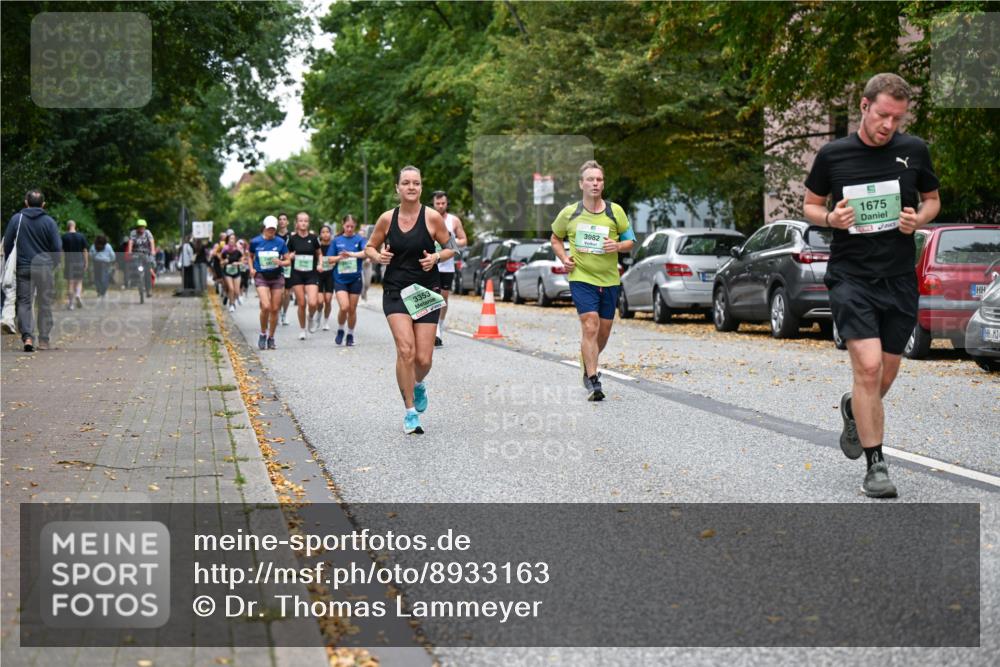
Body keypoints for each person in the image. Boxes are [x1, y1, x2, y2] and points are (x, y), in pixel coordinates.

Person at [803, 73, 940, 499]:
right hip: (851, 276)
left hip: (899, 278)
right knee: (867, 366)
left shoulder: (913, 151)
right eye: (883, 115)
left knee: (886, 371)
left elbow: (932, 199)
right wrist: (831, 219)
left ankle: (853, 409)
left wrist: (919, 218)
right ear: (864, 107)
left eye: (897, 119)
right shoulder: (834, 155)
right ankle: (876, 465)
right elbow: (810, 205)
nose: (889, 126)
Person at [364, 166, 456, 434]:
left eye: (416, 183)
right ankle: (410, 412)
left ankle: (417, 385)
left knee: (424, 359)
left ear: (421, 187)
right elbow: (370, 246)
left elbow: (453, 248)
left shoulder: (432, 218)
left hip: (425, 291)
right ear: (398, 188)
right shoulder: (386, 219)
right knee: (406, 351)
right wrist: (377, 256)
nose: (411, 187)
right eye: (406, 183)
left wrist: (436, 258)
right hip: (395, 291)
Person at [551, 160, 636, 402]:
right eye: (590, 179)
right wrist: (564, 258)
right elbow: (555, 239)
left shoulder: (615, 211)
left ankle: (587, 358)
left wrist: (617, 245)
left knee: (603, 333)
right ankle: (593, 379)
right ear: (582, 184)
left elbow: (630, 241)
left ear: (603, 183)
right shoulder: (570, 213)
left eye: (599, 179)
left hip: (609, 279)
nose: (595, 183)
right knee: (590, 325)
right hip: (581, 277)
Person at [2, 189, 62, 351]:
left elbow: (7, 243)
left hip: (23, 267)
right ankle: (43, 340)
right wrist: (53, 264)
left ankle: (27, 337)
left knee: (24, 302)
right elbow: (57, 248)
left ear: (26, 202)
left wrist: (9, 261)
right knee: (44, 303)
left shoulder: (17, 219)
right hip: (44, 267)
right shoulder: (49, 222)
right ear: (43, 204)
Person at [430, 191, 467, 347]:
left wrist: (450, 241)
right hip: (431, 264)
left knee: (444, 297)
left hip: (447, 266)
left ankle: (440, 325)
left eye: (443, 203)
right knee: (433, 296)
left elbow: (464, 240)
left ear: (446, 203)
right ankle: (435, 331)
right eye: (438, 203)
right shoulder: (428, 218)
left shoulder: (454, 220)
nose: (440, 206)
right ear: (433, 203)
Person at [249, 215, 290, 350]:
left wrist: (281, 262)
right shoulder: (255, 241)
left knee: (274, 309)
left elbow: (288, 260)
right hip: (261, 276)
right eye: (269, 229)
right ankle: (262, 333)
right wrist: (251, 268)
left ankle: (271, 337)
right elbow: (250, 256)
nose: (271, 231)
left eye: (273, 229)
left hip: (277, 277)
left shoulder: (280, 242)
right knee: (265, 306)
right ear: (264, 228)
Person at [330, 214, 367, 346]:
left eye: (352, 226)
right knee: (344, 307)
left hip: (355, 278)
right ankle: (340, 329)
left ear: (355, 226)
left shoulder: (360, 239)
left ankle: (350, 334)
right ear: (343, 225)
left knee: (352, 309)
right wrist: (340, 257)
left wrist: (352, 254)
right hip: (340, 279)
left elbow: (366, 252)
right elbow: (329, 259)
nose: (350, 229)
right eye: (347, 226)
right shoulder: (336, 240)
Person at [286, 211, 322, 340]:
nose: (303, 223)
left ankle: (310, 317)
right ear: (296, 223)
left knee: (313, 303)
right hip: (297, 274)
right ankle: (302, 329)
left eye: (306, 221)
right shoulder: (292, 238)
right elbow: (285, 255)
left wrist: (320, 264)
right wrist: (290, 256)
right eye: (301, 221)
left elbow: (319, 253)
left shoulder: (313, 238)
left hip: (311, 273)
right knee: (301, 303)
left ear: (308, 223)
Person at [61, 220, 88, 309]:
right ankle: (78, 295)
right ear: (75, 226)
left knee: (70, 283)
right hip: (79, 261)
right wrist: (86, 262)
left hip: (69, 262)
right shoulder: (81, 236)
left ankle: (71, 304)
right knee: (79, 281)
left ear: (67, 226)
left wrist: (61, 263)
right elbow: (85, 250)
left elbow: (62, 251)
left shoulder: (64, 237)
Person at [126, 219, 156, 298]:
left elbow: (151, 241)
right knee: (135, 267)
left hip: (146, 254)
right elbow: (130, 242)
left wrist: (153, 250)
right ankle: (135, 281)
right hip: (136, 254)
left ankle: (148, 290)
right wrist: (129, 252)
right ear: (137, 228)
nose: (141, 229)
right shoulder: (133, 233)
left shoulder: (147, 233)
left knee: (147, 272)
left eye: (143, 227)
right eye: (140, 227)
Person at [316, 224, 336, 330]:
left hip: (330, 275)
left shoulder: (334, 245)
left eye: (327, 232)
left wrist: (335, 262)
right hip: (318, 275)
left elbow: (338, 258)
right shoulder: (317, 247)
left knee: (328, 300)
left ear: (330, 233)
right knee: (319, 301)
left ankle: (326, 321)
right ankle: (318, 314)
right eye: (323, 232)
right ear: (320, 234)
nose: (325, 234)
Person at [276, 212, 293, 325]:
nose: (282, 221)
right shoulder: (274, 236)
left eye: (284, 219)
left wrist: (291, 256)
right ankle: (277, 312)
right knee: (280, 293)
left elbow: (297, 249)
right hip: (277, 266)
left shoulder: (292, 236)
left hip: (289, 266)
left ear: (287, 222)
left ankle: (284, 314)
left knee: (287, 293)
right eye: (280, 219)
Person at [220, 232, 243, 312]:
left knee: (236, 291)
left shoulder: (238, 251)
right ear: (227, 241)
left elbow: (242, 262)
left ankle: (235, 298)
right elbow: (221, 262)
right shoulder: (224, 251)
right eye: (230, 239)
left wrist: (237, 263)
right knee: (231, 288)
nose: (232, 241)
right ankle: (231, 304)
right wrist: (225, 261)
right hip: (227, 272)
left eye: (233, 239)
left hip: (236, 272)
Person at [90, 235, 115, 301]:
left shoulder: (94, 245)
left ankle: (99, 290)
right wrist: (112, 260)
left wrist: (93, 259)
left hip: (96, 262)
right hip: (105, 263)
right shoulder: (108, 246)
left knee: (97, 277)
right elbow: (112, 255)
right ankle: (103, 292)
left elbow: (91, 254)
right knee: (105, 277)